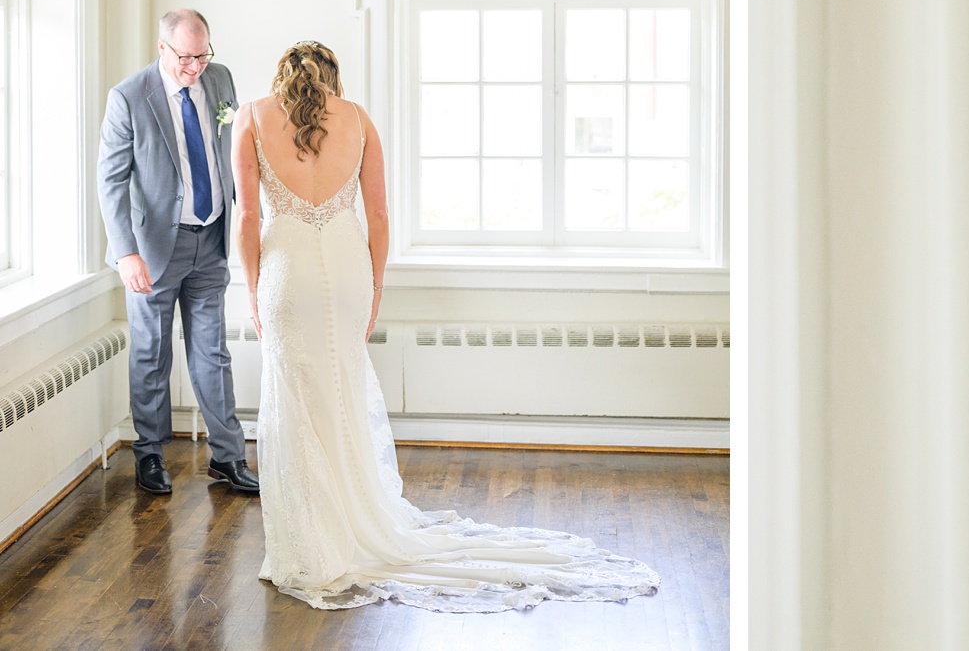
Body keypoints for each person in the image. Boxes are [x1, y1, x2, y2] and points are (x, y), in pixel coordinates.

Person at [232, 41, 660, 611]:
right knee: (340, 391)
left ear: (281, 77)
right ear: (333, 78)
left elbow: (248, 215)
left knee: (295, 395)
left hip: (287, 273)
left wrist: (255, 291)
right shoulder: (358, 120)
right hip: (346, 270)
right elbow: (379, 216)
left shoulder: (254, 117)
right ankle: (357, 522)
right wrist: (377, 286)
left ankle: (312, 543)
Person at [98, 9, 258, 497]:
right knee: (151, 352)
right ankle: (150, 454)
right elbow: (110, 180)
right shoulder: (129, 97)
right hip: (152, 249)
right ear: (163, 48)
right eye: (186, 57)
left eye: (202, 54)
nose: (195, 67)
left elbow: (231, 146)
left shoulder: (220, 78)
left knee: (213, 351)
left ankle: (227, 457)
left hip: (210, 237)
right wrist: (125, 253)